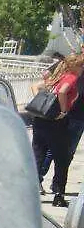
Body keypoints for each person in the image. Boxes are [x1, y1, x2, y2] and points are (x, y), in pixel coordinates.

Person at [30, 53, 84, 207]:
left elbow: (36, 86)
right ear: (74, 66)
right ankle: (59, 195)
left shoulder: (57, 76)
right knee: (62, 159)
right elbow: (63, 91)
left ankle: (29, 191)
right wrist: (63, 111)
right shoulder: (71, 78)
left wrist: (42, 104)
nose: (82, 70)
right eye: (81, 66)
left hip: (41, 121)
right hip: (56, 123)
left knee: (38, 156)